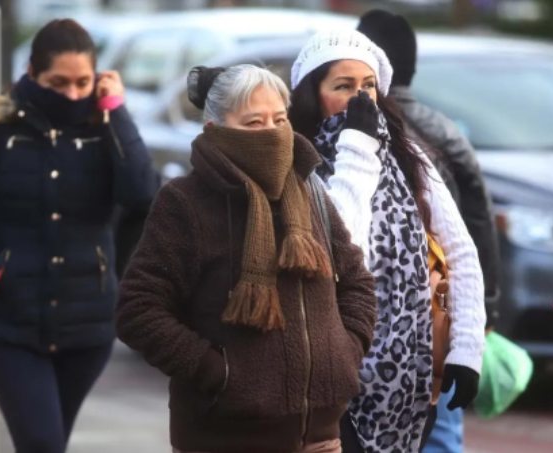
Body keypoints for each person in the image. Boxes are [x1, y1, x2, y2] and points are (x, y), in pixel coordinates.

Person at [114, 64, 378, 453]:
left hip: (321, 438)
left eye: (279, 119)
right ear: (214, 130)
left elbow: (357, 282)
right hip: (223, 439)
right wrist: (219, 373)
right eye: (254, 122)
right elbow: (138, 310)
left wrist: (345, 349)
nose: (272, 132)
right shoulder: (185, 203)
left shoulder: (310, 193)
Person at [0, 19, 159, 452]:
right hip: (8, 325)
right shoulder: (0, 126)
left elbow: (143, 194)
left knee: (48, 443)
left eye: (82, 82)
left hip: (86, 328)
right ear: (33, 72)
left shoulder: (104, 126)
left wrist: (117, 110)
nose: (72, 94)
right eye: (58, 82)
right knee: (42, 443)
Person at [288, 30, 486, 453]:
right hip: (332, 378)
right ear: (312, 95)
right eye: (343, 87)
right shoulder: (297, 164)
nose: (360, 100)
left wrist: (467, 351)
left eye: (368, 87)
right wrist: (359, 147)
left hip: (409, 382)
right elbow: (340, 253)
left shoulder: (408, 158)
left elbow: (461, 252)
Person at [356, 10, 501, 453]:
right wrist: (483, 311)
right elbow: (478, 220)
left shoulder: (371, 129)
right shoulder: (443, 130)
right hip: (439, 310)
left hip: (387, 322)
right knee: (440, 425)